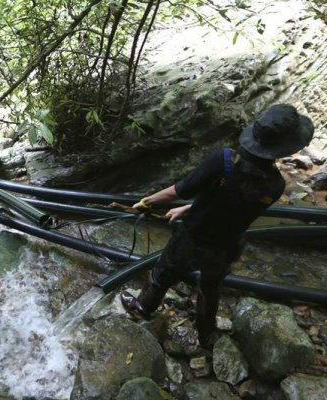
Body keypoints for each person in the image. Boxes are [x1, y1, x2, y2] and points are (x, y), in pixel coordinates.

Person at [120, 104, 314, 348]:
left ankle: (143, 307)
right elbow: (234, 207)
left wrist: (147, 201)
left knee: (164, 272)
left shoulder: (222, 160)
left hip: (192, 236)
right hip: (226, 244)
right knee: (211, 286)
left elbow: (181, 190)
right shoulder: (275, 186)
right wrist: (187, 208)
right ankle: (205, 331)